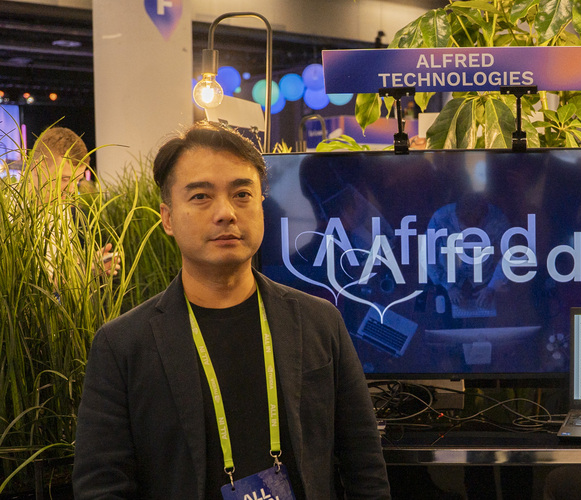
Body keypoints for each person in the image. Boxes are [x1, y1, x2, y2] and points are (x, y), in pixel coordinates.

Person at [73, 122, 391, 499]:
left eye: (242, 194)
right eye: (201, 196)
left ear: (261, 206)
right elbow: (102, 485)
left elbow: (364, 465)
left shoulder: (320, 322)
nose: (226, 213)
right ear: (168, 218)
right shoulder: (123, 346)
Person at [28, 126, 118, 276]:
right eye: (64, 179)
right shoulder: (8, 215)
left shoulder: (68, 213)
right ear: (38, 167)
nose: (71, 190)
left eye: (76, 181)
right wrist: (81, 270)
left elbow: (59, 275)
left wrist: (89, 268)